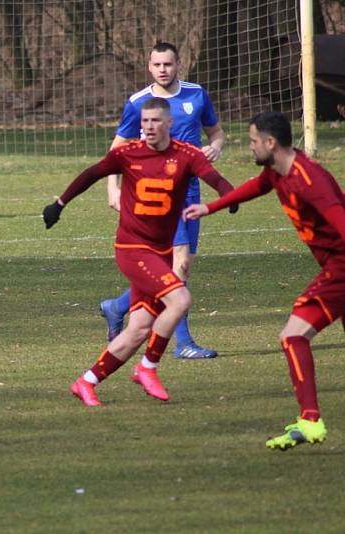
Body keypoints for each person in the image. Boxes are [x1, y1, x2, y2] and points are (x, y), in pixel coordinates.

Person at [42, 97, 236, 406]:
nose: (148, 127)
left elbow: (215, 179)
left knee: (138, 329)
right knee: (181, 298)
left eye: (155, 121)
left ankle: (86, 381)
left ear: (169, 124)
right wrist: (59, 204)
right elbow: (91, 174)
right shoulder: (127, 153)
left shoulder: (186, 155)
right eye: (144, 122)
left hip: (160, 251)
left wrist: (227, 196)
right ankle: (148, 368)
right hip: (132, 248)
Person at [184, 111, 341, 450]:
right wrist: (210, 208)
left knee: (293, 335)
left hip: (341, 269)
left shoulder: (310, 181)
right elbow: (255, 187)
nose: (250, 146)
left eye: (254, 141)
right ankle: (309, 419)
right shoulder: (277, 172)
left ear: (271, 143)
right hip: (334, 266)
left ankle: (310, 420)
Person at [100, 42, 226, 359]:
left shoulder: (196, 95)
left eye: (168, 64)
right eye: (157, 65)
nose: (162, 70)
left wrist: (216, 147)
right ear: (149, 66)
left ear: (177, 64)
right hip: (153, 197)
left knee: (177, 267)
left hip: (190, 193)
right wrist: (112, 189)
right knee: (178, 266)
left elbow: (216, 132)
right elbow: (115, 150)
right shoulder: (138, 103)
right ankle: (183, 343)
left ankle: (116, 307)